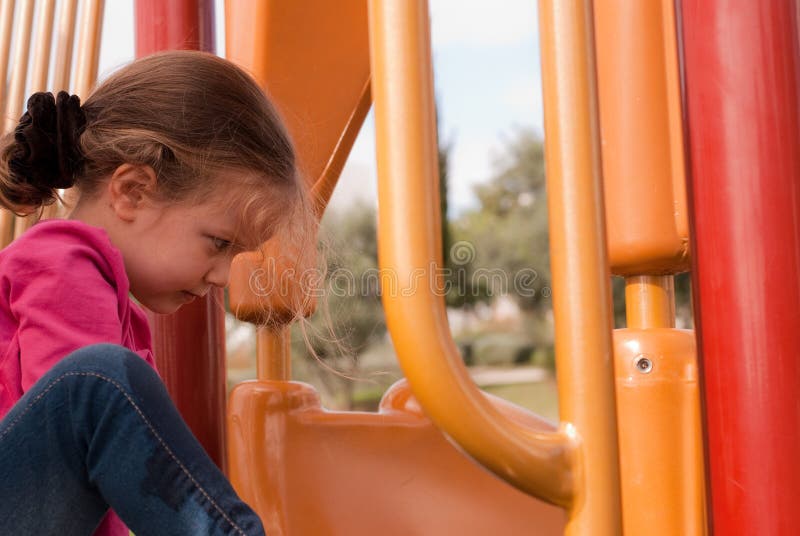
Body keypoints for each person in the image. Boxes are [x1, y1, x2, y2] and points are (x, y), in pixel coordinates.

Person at [0, 50, 314, 535]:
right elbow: (79, 438)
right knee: (99, 379)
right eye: (219, 243)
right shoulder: (62, 262)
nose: (224, 278)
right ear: (132, 192)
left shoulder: (114, 305)